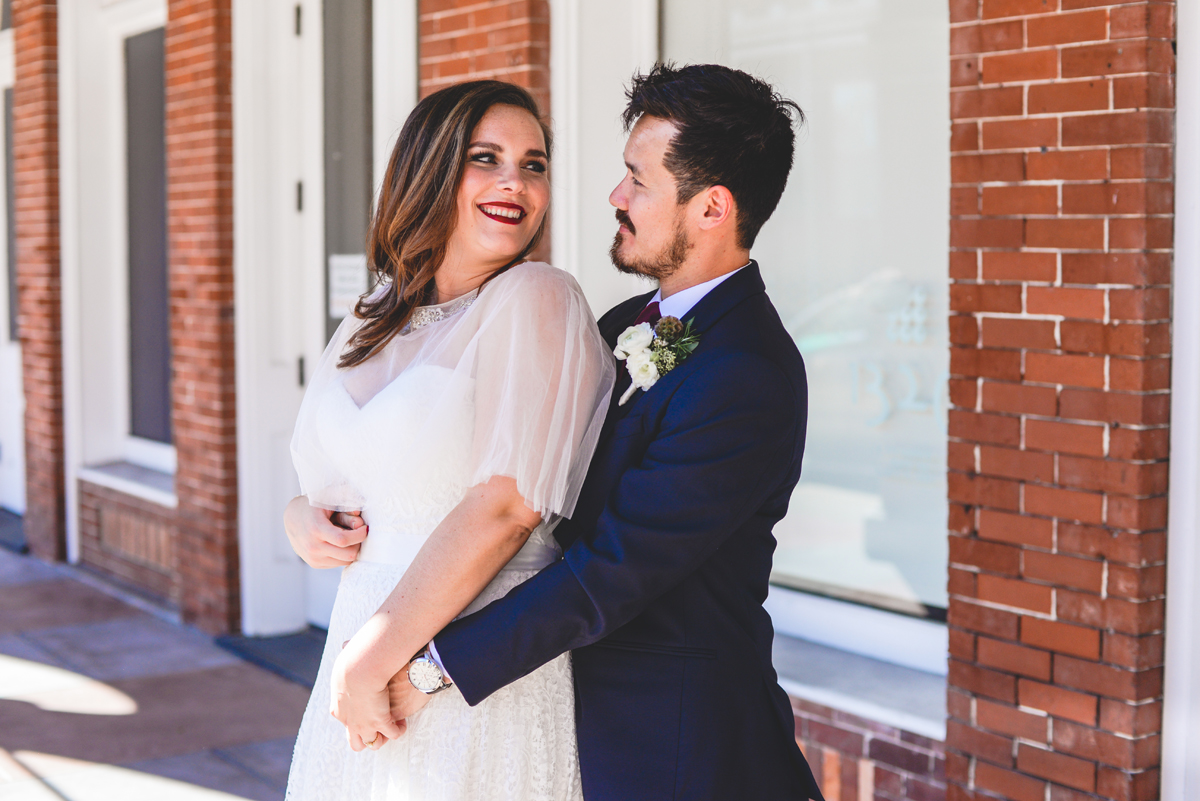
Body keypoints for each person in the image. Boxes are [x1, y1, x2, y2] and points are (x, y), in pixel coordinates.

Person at [388, 63, 827, 801]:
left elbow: (610, 573)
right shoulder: (623, 326)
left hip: (678, 750)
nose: (615, 197)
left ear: (712, 208)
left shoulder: (746, 373)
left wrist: (433, 665)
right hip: (567, 719)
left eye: (638, 180)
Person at [282, 80, 615, 800]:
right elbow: (340, 470)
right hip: (364, 632)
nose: (514, 182)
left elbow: (507, 509)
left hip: (462, 662)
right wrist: (300, 518)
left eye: (533, 164)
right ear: (427, 168)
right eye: (485, 157)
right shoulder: (377, 309)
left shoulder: (536, 298)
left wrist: (371, 663)